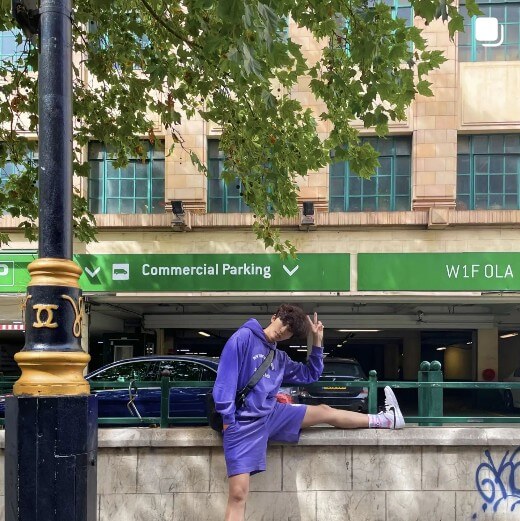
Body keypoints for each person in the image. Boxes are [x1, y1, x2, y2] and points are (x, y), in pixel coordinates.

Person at [212, 303, 404, 521]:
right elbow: (225, 382)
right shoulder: (244, 338)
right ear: (274, 317)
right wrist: (228, 421)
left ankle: (385, 419)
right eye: (283, 323)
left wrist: (317, 340)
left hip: (272, 415)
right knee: (238, 495)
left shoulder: (279, 358)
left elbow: (311, 374)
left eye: (290, 331)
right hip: (243, 423)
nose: (284, 331)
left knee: (324, 411)